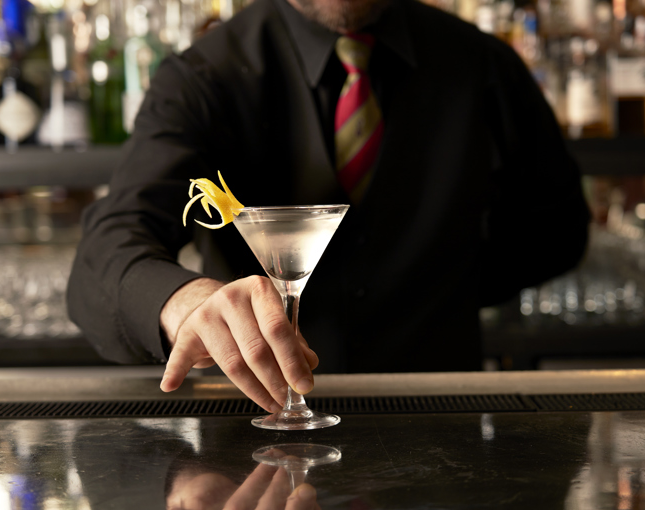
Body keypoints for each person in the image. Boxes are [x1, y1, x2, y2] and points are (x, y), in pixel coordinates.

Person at [66, 0, 591, 413]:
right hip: (259, 448)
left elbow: (558, 229)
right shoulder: (204, 77)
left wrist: (444, 288)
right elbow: (108, 247)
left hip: (444, 421)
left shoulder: (482, 65)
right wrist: (183, 301)